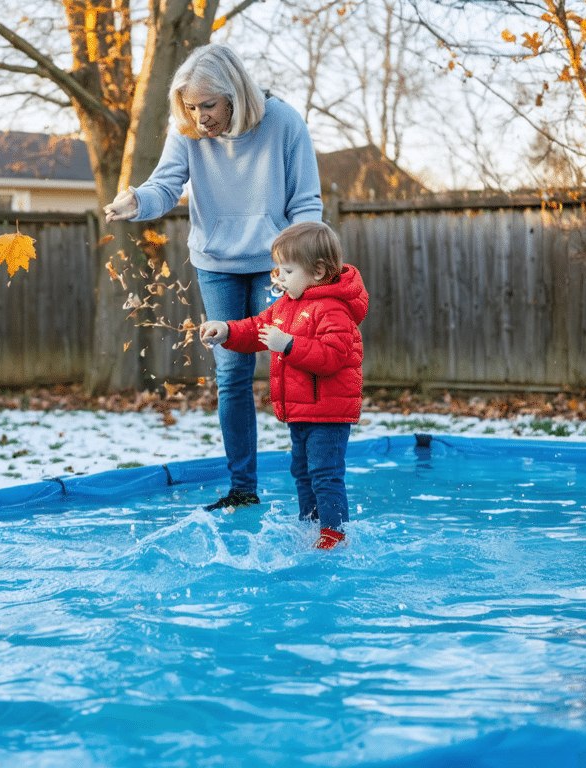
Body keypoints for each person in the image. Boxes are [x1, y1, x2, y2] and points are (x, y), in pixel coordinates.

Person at [104, 42, 323, 512]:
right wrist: (136, 201)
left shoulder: (283, 123)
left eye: (208, 105)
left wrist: (299, 268)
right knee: (232, 373)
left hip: (275, 268)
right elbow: (165, 185)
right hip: (217, 266)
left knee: (291, 366)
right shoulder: (187, 131)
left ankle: (310, 479)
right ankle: (243, 488)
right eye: (190, 107)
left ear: (235, 95)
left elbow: (306, 203)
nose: (200, 117)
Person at [199, 221, 367, 549]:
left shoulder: (334, 310)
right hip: (301, 412)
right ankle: (311, 525)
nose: (278, 277)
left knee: (325, 472)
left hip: (329, 414)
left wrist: (289, 345)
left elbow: (332, 356)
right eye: (277, 269)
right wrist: (229, 331)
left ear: (318, 271)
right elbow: (257, 327)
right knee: (303, 472)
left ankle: (335, 532)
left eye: (287, 271)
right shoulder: (288, 305)